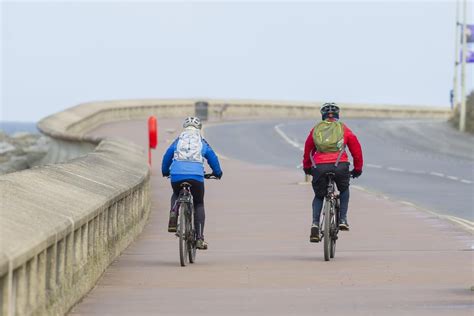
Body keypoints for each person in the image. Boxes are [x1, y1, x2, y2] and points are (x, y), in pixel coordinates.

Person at [302, 103, 363, 242]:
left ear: (322, 115)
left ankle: (315, 224)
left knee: (319, 196)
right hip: (340, 166)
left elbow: (308, 150)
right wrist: (358, 169)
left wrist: (307, 167)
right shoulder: (344, 129)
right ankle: (342, 219)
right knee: (344, 189)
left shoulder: (316, 129)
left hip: (319, 167)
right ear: (337, 115)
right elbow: (356, 150)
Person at [161, 117, 223, 250]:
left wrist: (165, 172)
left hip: (177, 174)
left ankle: (173, 212)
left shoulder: (178, 141)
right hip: (196, 176)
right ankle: (199, 238)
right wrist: (217, 173)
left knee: (176, 193)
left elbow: (167, 156)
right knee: (199, 203)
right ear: (198, 129)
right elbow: (213, 157)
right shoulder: (202, 142)